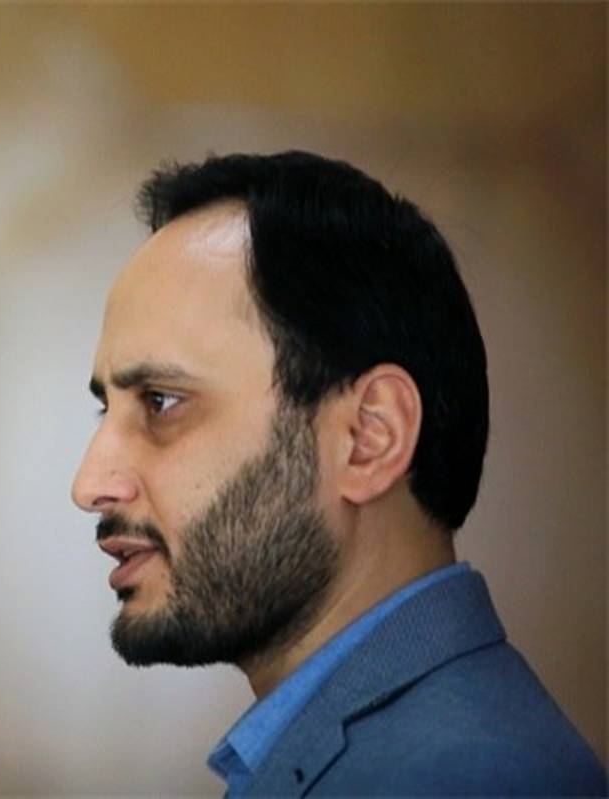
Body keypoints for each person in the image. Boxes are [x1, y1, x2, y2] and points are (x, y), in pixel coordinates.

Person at [70, 151, 607, 796]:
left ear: (369, 439)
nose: (89, 484)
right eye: (106, 408)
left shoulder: (470, 782)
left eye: (161, 402)